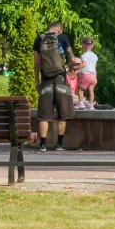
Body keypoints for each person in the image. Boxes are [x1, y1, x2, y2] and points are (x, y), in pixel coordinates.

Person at [33, 20, 79, 151]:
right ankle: (59, 144)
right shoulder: (63, 37)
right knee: (63, 113)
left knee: (44, 115)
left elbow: (36, 63)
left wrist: (37, 81)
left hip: (46, 80)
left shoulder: (39, 39)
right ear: (59, 28)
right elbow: (72, 58)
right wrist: (74, 64)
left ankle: (43, 145)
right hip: (60, 80)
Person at [77, 37, 99, 107]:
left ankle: (81, 103)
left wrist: (76, 68)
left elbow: (83, 65)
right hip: (93, 75)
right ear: (93, 45)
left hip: (86, 75)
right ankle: (91, 104)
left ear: (83, 45)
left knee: (80, 89)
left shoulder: (84, 56)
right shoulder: (95, 56)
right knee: (91, 90)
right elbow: (94, 66)